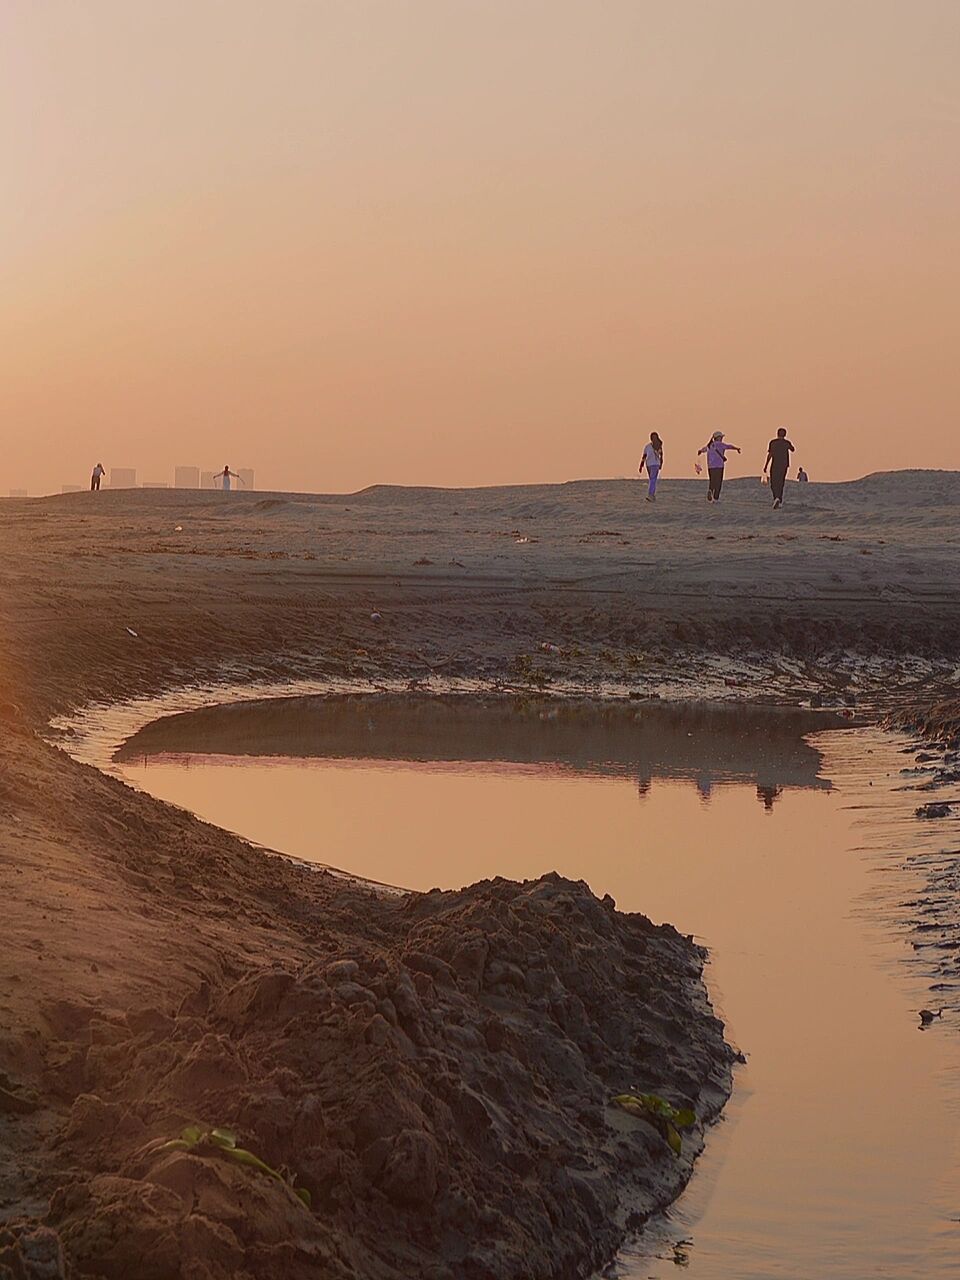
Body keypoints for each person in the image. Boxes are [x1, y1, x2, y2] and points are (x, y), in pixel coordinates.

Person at [697, 432, 741, 503]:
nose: (722, 438)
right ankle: (715, 497)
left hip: (710, 466)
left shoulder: (710, 445)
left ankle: (710, 490)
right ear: (718, 438)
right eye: (721, 437)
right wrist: (737, 449)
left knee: (712, 480)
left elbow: (703, 449)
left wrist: (700, 451)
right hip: (719, 466)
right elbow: (729, 446)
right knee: (718, 482)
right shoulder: (721, 445)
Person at [763, 427, 795, 509]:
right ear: (785, 434)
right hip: (784, 465)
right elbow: (793, 449)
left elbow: (770, 455)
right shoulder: (786, 442)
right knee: (781, 482)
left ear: (777, 433)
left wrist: (766, 465)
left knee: (774, 483)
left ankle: (776, 498)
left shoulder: (773, 442)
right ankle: (779, 500)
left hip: (775, 464)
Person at [638, 432, 664, 501]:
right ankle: (652, 495)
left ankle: (650, 494)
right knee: (652, 480)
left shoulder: (659, 446)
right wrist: (641, 465)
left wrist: (661, 463)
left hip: (655, 464)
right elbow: (644, 456)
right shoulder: (647, 446)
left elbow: (661, 456)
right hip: (649, 464)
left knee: (653, 479)